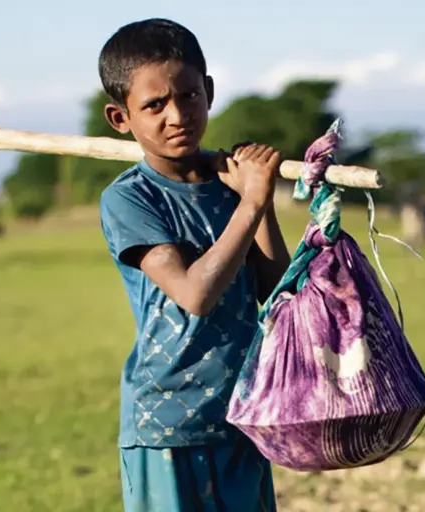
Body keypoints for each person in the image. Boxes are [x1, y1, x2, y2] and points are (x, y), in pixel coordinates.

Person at [96, 17, 292, 512]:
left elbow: (278, 286)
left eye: (188, 96)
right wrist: (249, 204)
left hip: (244, 412)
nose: (177, 115)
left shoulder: (230, 184)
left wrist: (259, 202)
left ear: (208, 91)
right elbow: (194, 294)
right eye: (154, 105)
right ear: (121, 119)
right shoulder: (129, 199)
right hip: (167, 422)